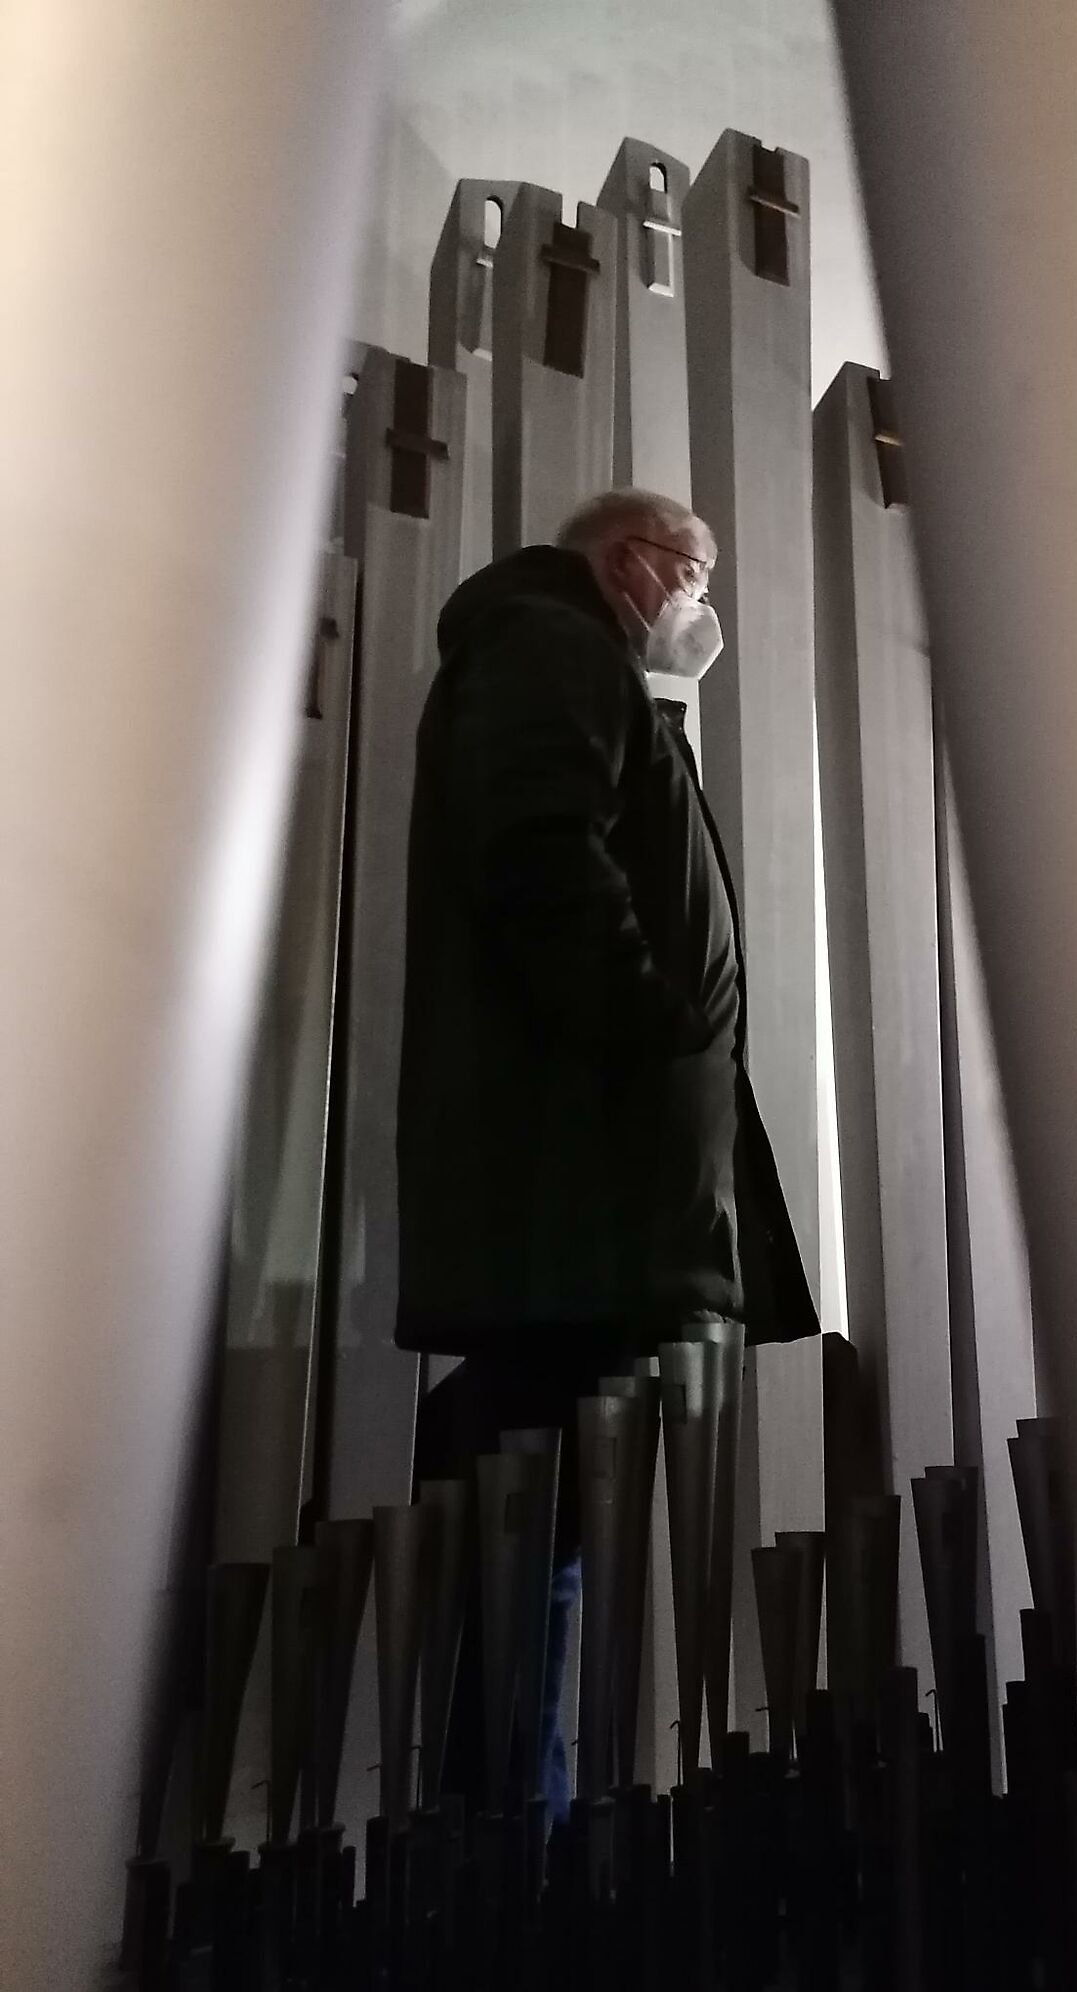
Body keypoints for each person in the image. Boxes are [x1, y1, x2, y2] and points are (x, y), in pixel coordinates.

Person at [396, 488, 818, 1820]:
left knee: (543, 1513)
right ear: (640, 566)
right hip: (585, 1192)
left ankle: (508, 1831)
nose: (706, 613)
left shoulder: (574, 661)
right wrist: (658, 1031)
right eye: (699, 581)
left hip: (594, 1192)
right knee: (540, 1527)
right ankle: (510, 1848)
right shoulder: (551, 642)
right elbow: (540, 857)